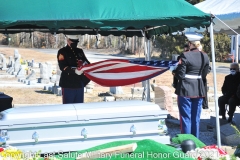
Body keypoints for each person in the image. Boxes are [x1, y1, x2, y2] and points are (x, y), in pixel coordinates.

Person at [174, 32, 210, 138]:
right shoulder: (205, 55)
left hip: (185, 89)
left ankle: (186, 141)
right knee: (196, 118)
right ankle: (195, 141)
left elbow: (180, 75)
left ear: (190, 44)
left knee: (186, 117)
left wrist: (174, 72)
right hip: (199, 89)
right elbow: (204, 74)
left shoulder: (185, 55)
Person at [57, 35, 91, 104]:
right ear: (68, 40)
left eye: (76, 42)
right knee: (68, 107)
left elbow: (87, 63)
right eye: (73, 41)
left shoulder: (79, 51)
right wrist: (74, 71)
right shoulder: (62, 52)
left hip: (79, 83)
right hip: (68, 83)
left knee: (79, 106)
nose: (75, 44)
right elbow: (62, 66)